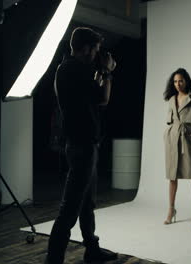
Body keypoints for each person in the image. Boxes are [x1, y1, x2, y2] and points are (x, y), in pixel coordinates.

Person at [45, 27, 117, 264]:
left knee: (87, 204)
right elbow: (103, 99)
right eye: (95, 49)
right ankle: (53, 260)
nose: (97, 54)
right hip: (82, 145)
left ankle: (92, 250)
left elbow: (92, 94)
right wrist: (107, 71)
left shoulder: (70, 69)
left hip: (84, 144)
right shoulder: (72, 70)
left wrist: (101, 73)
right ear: (86, 48)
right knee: (71, 208)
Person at [163, 68, 191, 230]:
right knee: (172, 176)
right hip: (171, 139)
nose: (178, 84)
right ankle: (171, 209)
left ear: (186, 81)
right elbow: (170, 121)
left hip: (185, 139)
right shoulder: (171, 99)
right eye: (175, 81)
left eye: (180, 80)